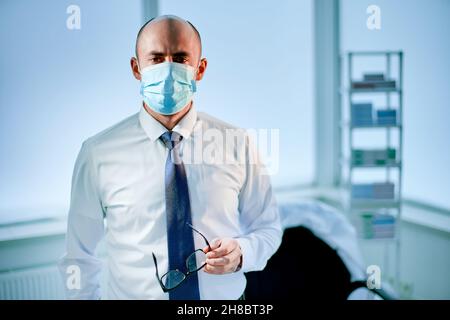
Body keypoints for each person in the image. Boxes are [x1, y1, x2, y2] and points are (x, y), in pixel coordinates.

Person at [58, 14, 282, 300]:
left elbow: (268, 228)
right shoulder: (97, 153)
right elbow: (79, 257)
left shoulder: (237, 143)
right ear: (136, 68)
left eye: (180, 58)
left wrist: (242, 253)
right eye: (155, 58)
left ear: (200, 69)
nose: (168, 68)